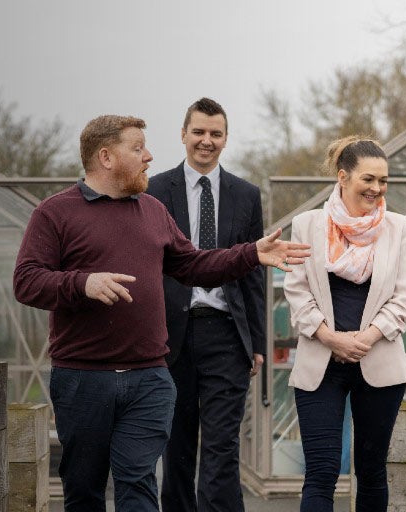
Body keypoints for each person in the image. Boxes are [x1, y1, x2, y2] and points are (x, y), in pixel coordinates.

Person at [13, 114, 311, 512]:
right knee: (84, 489)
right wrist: (82, 284)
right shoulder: (55, 213)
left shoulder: (152, 211)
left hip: (149, 377)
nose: (149, 157)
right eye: (137, 149)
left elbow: (194, 265)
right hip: (84, 378)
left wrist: (250, 254)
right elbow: (26, 281)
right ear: (106, 156)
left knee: (138, 482)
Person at [283, 136, 406, 512]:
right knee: (322, 472)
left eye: (384, 181)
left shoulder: (397, 227)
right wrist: (331, 337)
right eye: (368, 179)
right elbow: (297, 292)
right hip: (320, 364)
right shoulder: (307, 225)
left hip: (379, 363)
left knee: (372, 471)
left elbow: (403, 297)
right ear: (343, 177)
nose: (377, 188)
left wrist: (366, 337)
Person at [147, 97, 264, 512]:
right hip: (169, 334)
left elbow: (254, 274)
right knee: (175, 444)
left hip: (227, 334)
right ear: (183, 134)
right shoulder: (155, 190)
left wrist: (259, 342)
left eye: (215, 133)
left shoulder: (247, 196)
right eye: (198, 132)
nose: (206, 141)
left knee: (222, 445)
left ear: (226, 138)